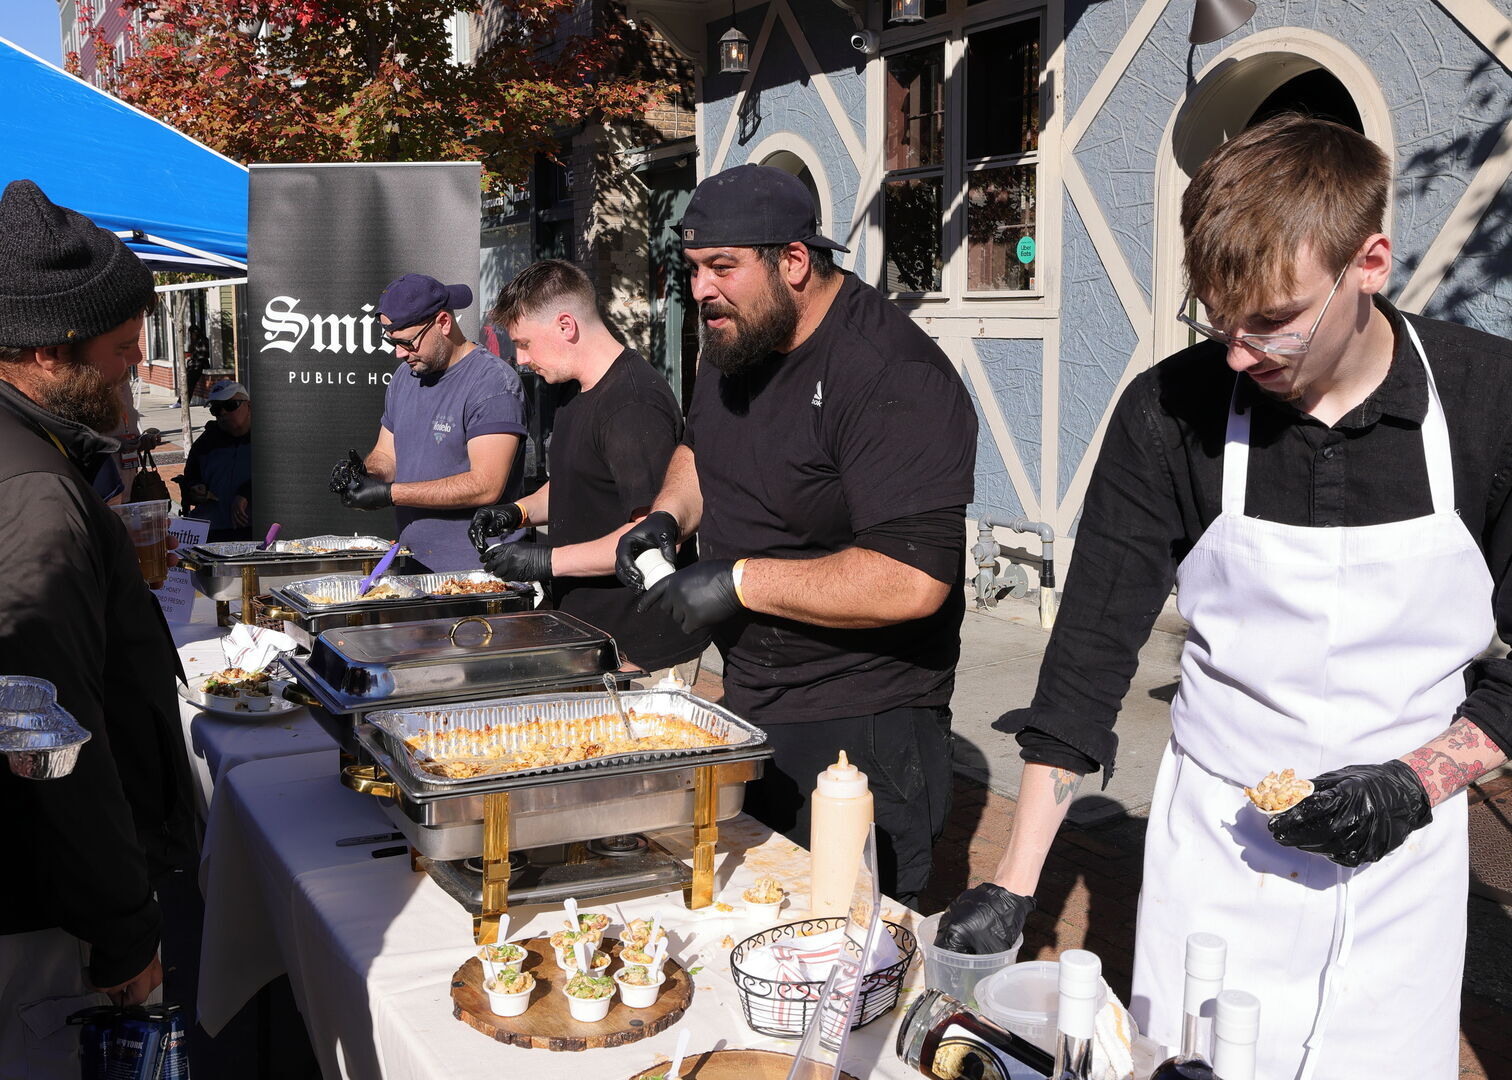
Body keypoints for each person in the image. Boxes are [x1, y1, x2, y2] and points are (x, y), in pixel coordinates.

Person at [934, 114, 1512, 1079]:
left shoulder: (1489, 403)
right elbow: (1086, 660)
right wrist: (1012, 884)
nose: (1239, 355)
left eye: (1275, 324)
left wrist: (1420, 780)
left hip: (1403, 862)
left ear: (1370, 261)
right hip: (1221, 852)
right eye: (1218, 322)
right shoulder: (1170, 412)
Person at [614, 164, 977, 906]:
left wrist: (737, 581)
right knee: (757, 931)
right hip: (752, 701)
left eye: (722, 268)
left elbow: (912, 578)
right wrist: (666, 516)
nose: (700, 291)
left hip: (863, 727)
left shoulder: (889, 373)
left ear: (794, 261)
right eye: (691, 270)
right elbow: (698, 449)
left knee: (855, 956)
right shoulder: (737, 338)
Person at [0, 180, 196, 1070]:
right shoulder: (35, 491)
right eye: (122, 348)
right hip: (45, 910)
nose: (136, 364)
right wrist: (123, 925)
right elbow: (39, 726)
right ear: (47, 351)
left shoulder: (37, 457)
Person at [468, 260, 709, 679]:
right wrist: (516, 512)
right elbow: (574, 485)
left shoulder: (632, 405)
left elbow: (648, 540)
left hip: (644, 652)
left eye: (524, 343)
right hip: (593, 639)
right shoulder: (575, 392)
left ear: (566, 326)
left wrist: (545, 561)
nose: (520, 359)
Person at [330, 273, 527, 571]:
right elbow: (386, 455)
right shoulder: (405, 376)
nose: (399, 353)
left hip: (480, 573)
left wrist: (390, 493)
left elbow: (486, 485)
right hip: (413, 563)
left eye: (407, 342)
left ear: (444, 322)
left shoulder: (493, 383)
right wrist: (365, 475)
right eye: (391, 342)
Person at [179, 379, 252, 541]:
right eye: (216, 409)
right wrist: (195, 488)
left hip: (256, 528)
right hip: (212, 530)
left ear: (249, 406)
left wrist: (245, 494)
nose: (223, 413)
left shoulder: (268, 438)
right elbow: (190, 478)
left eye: (230, 405)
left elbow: (279, 477)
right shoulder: (206, 442)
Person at [173, 324, 208, 408]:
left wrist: (192, 357)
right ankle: (182, 401)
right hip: (193, 365)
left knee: (189, 384)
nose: (191, 336)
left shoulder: (202, 341)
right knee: (187, 383)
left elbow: (203, 355)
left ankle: (182, 402)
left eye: (192, 334)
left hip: (198, 366)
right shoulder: (195, 342)